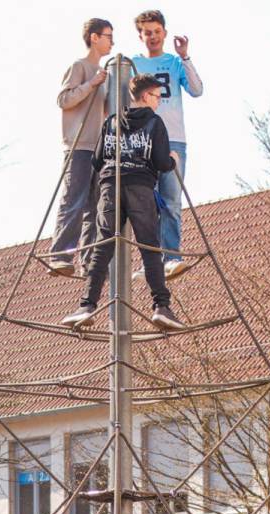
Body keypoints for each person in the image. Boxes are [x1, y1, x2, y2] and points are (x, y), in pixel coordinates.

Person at [60, 74, 186, 332]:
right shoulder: (154, 122)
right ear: (146, 96)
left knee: (103, 247)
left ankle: (86, 306)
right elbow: (162, 163)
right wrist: (173, 159)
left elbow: (97, 160)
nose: (158, 102)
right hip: (140, 187)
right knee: (150, 248)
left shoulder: (112, 122)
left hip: (110, 188)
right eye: (157, 97)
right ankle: (161, 307)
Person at [130, 9, 202, 279]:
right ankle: (150, 260)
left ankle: (171, 256)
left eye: (157, 32)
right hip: (143, 141)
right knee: (146, 204)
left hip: (173, 139)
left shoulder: (173, 62)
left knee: (171, 200)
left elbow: (196, 90)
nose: (153, 37)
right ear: (140, 36)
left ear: (164, 33)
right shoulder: (133, 65)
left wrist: (185, 57)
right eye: (147, 33)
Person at [49, 17, 114, 276]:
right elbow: (64, 99)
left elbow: (104, 110)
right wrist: (92, 84)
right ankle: (60, 255)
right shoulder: (80, 67)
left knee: (95, 208)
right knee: (73, 201)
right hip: (78, 146)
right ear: (94, 37)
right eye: (108, 36)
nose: (112, 42)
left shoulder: (104, 75)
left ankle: (89, 262)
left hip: (98, 149)